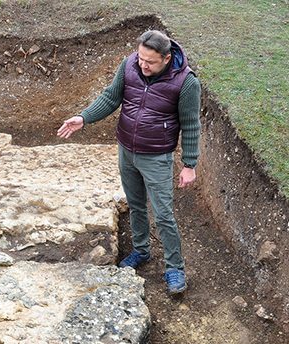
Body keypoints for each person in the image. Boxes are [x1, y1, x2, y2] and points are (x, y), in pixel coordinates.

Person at [57, 30, 201, 294]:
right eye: (140, 57)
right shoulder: (130, 65)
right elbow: (111, 97)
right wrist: (84, 117)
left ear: (167, 59)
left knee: (164, 214)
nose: (142, 64)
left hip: (157, 156)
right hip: (126, 150)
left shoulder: (186, 83)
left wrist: (189, 164)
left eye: (150, 61)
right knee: (135, 205)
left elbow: (191, 125)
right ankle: (141, 250)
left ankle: (174, 268)